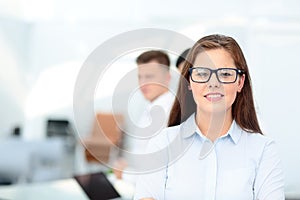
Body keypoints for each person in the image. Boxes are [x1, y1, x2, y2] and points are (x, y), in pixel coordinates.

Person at [134, 34, 284, 200]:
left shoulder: (263, 150)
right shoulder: (162, 144)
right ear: (189, 81)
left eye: (226, 74)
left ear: (240, 82)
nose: (213, 83)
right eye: (202, 73)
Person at [113, 50, 175, 182]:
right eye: (140, 77)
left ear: (167, 78)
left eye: (149, 77)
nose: (143, 83)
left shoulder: (170, 113)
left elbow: (163, 174)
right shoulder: (150, 108)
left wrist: (125, 173)